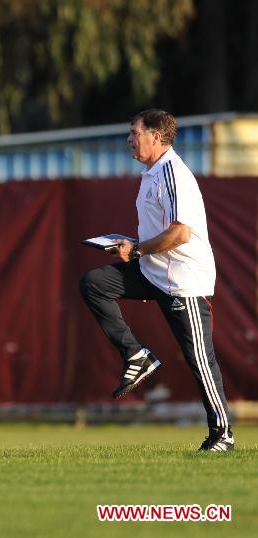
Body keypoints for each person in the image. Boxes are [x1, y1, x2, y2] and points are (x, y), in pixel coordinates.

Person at [79, 109, 233, 452]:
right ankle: (136, 356)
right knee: (94, 283)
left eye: (135, 133)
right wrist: (128, 244)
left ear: (156, 137)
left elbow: (179, 234)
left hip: (181, 280)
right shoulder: (152, 173)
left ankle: (222, 434)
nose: (129, 139)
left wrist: (135, 251)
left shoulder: (173, 174)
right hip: (153, 271)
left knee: (199, 360)